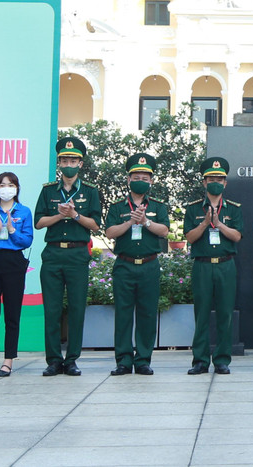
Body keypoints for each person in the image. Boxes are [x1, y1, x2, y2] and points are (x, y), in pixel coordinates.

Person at [35, 136, 103, 376]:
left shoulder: (90, 192)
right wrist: (59, 215)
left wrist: (74, 215)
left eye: (73, 160)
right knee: (52, 310)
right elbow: (39, 222)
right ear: (59, 163)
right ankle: (53, 359)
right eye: (65, 160)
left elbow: (95, 225)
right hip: (53, 253)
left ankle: (72, 359)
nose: (69, 164)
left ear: (81, 164)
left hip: (77, 254)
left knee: (76, 309)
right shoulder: (48, 191)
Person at [105, 153, 170, 375]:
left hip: (149, 265)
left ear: (151, 181)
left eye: (145, 176)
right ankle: (123, 360)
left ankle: (143, 359)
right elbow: (110, 232)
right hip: (124, 265)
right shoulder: (117, 207)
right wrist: (131, 221)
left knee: (147, 313)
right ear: (128, 180)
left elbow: (164, 231)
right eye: (136, 176)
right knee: (123, 313)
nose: (140, 179)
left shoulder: (158, 206)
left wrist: (145, 221)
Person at [184, 156, 242, 375]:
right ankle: (199, 360)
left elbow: (237, 236)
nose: (215, 182)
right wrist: (205, 223)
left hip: (226, 265)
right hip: (202, 266)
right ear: (204, 182)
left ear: (225, 183)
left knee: (225, 314)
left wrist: (218, 225)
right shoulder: (193, 208)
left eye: (220, 178)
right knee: (201, 314)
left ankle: (222, 360)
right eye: (211, 178)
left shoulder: (234, 208)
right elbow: (190, 237)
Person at [0, 171, 34, 377]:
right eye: (1, 185)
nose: (6, 188)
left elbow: (26, 241)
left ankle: (8, 360)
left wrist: (11, 230)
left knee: (12, 314)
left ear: (17, 188)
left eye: (10, 185)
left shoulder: (24, 212)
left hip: (14, 263)